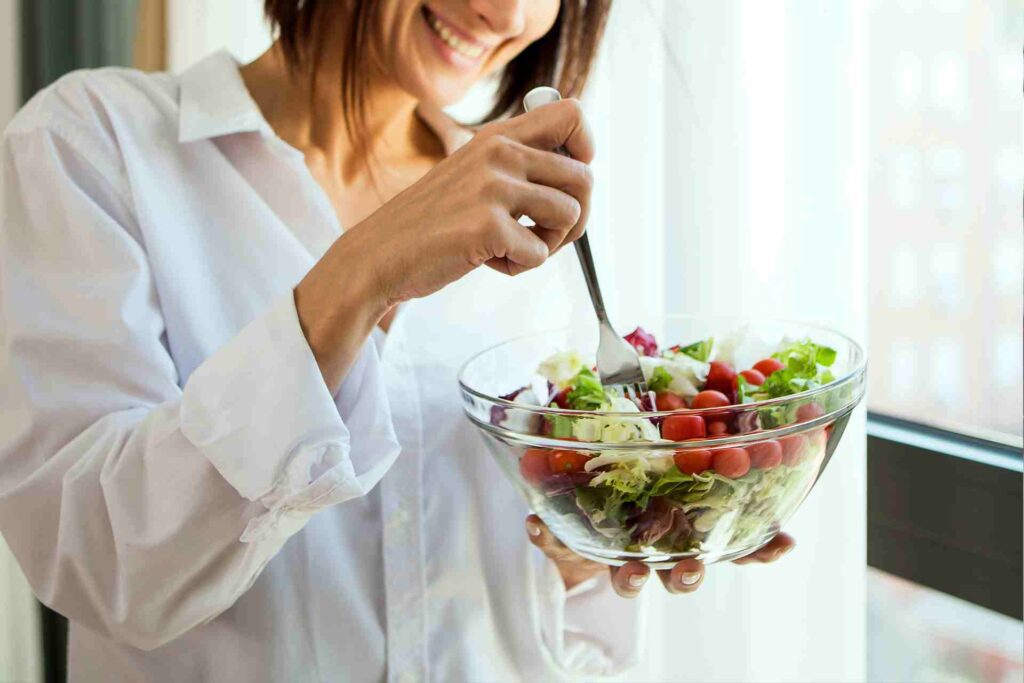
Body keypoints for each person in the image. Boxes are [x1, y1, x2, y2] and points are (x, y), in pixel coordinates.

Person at [0, 1, 793, 680]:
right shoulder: (91, 144)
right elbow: (97, 560)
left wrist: (591, 546)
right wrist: (359, 274)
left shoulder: (523, 211)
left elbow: (560, 635)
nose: (508, 14)